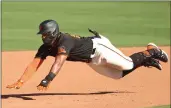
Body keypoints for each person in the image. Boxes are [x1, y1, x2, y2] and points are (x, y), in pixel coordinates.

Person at [6, 19, 168, 91]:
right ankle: (145, 60)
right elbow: (34, 64)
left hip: (99, 47)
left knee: (128, 64)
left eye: (45, 34)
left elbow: (59, 61)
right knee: (118, 75)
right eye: (42, 35)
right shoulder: (45, 47)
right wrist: (21, 81)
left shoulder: (64, 41)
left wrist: (48, 78)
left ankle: (151, 50)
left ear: (53, 33)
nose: (43, 37)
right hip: (90, 60)